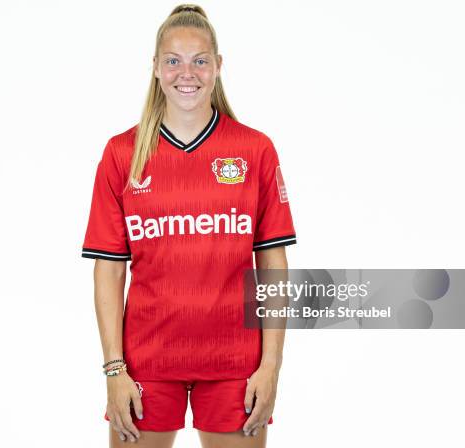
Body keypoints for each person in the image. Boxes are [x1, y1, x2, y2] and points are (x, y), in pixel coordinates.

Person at [81, 4, 297, 447]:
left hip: (236, 361)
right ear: (155, 68)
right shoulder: (122, 153)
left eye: (200, 60)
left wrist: (271, 364)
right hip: (145, 363)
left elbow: (272, 262)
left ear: (218, 66)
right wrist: (113, 369)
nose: (187, 72)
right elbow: (108, 269)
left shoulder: (255, 150)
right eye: (173, 60)